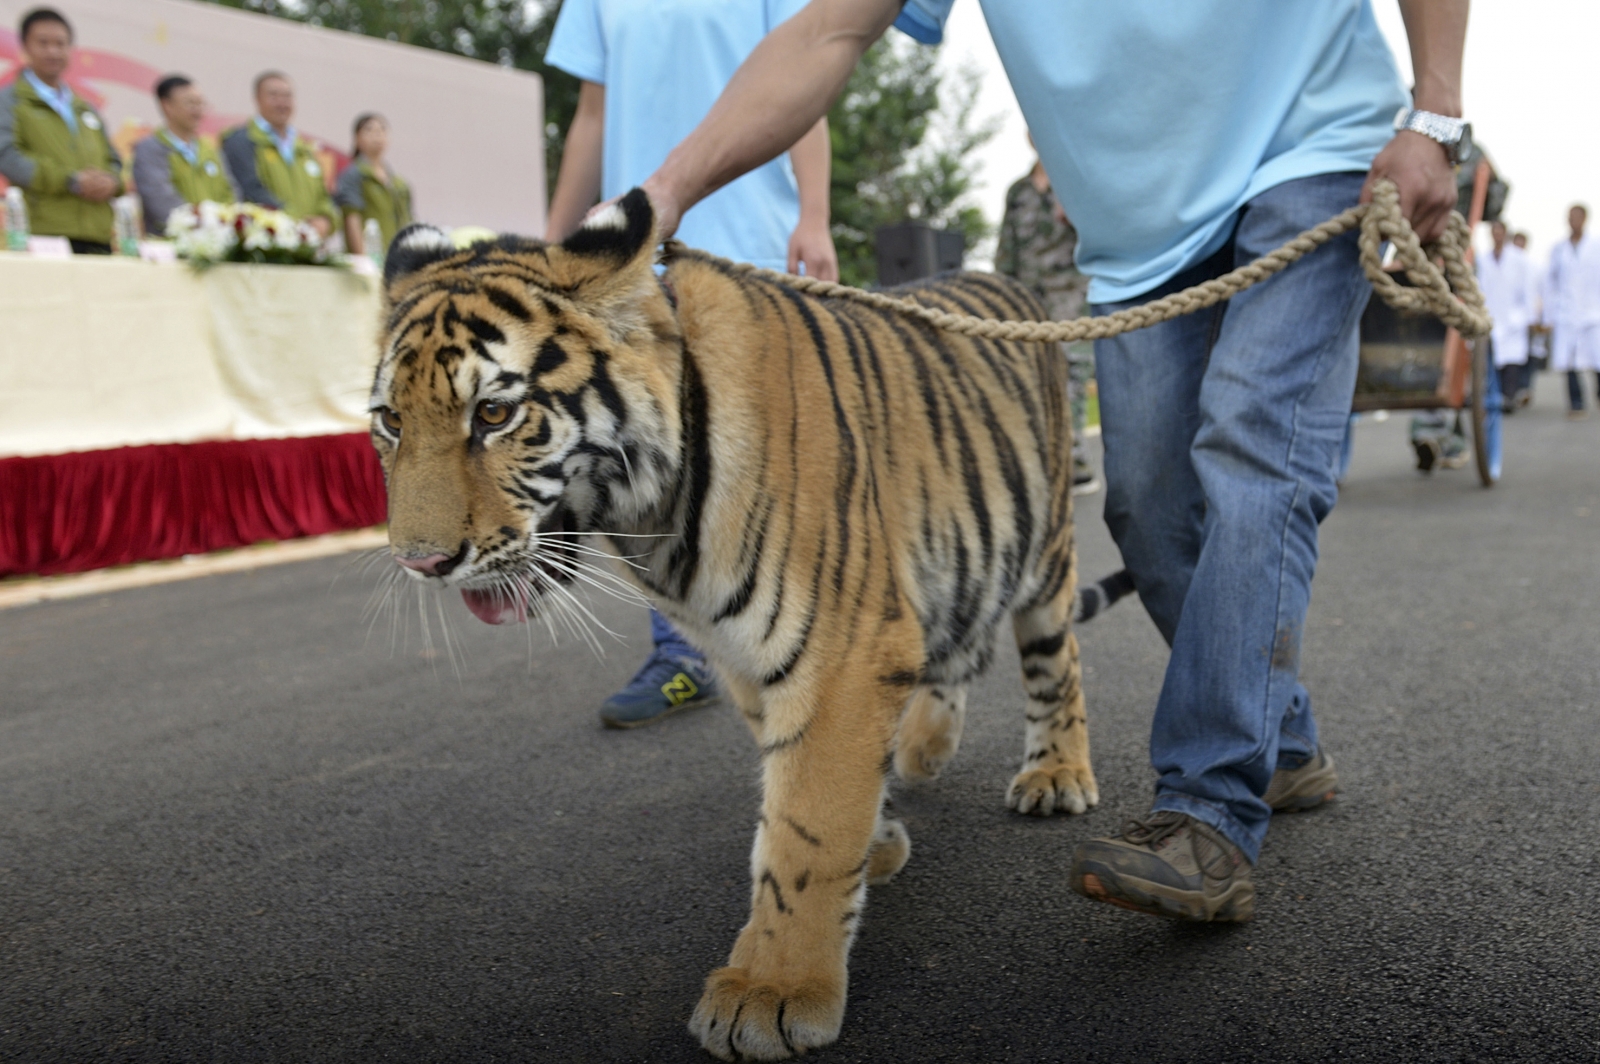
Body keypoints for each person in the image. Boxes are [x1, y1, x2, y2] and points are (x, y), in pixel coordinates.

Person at [637, 0, 1467, 922]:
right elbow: (823, 34)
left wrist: (1434, 111)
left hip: (1315, 152)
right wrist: (662, 193)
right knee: (1147, 508)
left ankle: (1209, 807)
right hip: (1142, 233)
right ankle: (1285, 741)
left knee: (1251, 443)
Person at [543, 0, 838, 730]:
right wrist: (551, 247)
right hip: (634, 254)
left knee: (773, 458)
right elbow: (590, 118)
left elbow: (811, 68)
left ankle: (807, 632)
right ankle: (683, 652)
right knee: (650, 454)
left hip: (753, 239)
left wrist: (816, 215)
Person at [995, 143, 1099, 494]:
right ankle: (1038, 460)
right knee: (1028, 375)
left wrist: (1081, 215)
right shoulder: (1019, 191)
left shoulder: (1075, 182)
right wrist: (1001, 296)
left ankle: (1073, 459)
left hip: (1070, 293)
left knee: (1070, 371)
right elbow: (1006, 250)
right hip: (1028, 298)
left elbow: (1102, 233)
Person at [0, 7, 122, 254]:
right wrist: (71, 181)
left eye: (60, 44)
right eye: (43, 43)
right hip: (43, 235)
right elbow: (9, 157)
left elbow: (114, 161)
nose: (53, 51)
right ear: (25, 47)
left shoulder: (84, 107)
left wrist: (111, 181)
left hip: (98, 234)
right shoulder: (9, 101)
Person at [221, 71, 335, 237]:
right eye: (273, 96)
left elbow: (322, 194)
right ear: (257, 99)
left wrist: (326, 220)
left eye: (287, 96)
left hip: (308, 243)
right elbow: (250, 189)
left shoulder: (304, 148)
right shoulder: (241, 140)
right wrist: (296, 221)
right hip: (264, 244)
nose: (282, 102)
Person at [131, 75, 236, 238]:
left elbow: (230, 193)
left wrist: (223, 226)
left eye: (200, 103)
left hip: (216, 244)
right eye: (190, 103)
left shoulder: (210, 149)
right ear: (167, 106)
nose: (197, 109)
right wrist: (200, 227)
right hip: (169, 247)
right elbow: (160, 201)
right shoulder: (150, 149)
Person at [1544, 204, 1600, 420]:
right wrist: (1548, 315)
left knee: (1597, 358)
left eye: (1576, 217)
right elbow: (1551, 283)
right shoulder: (1558, 249)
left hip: (1593, 312)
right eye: (1570, 217)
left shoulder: (1595, 247)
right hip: (1567, 313)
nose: (1572, 221)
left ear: (1585, 219)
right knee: (1568, 361)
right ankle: (1576, 404)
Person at [335, 112, 412, 256]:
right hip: (370, 258)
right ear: (357, 138)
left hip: (399, 259)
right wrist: (363, 259)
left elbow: (409, 220)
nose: (377, 135)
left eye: (382, 130)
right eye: (369, 130)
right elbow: (352, 218)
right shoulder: (352, 175)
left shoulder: (398, 183)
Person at [1478, 220, 1536, 411]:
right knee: (1492, 361)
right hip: (1491, 315)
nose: (1497, 236)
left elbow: (1529, 289)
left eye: (1500, 232)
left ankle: (1508, 398)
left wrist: (1530, 317)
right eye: (1494, 232)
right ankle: (1495, 395)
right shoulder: (1482, 259)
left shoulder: (1519, 259)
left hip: (1513, 317)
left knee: (1511, 361)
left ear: (1505, 234)